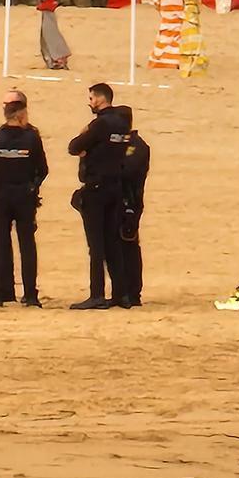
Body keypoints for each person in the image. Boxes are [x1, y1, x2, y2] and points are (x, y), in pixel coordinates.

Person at [67, 83, 132, 310]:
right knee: (113, 242)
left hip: (96, 188)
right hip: (115, 187)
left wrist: (86, 138)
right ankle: (121, 294)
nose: (90, 101)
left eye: (91, 97)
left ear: (100, 99)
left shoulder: (100, 124)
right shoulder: (123, 124)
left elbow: (74, 146)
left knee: (96, 245)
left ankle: (97, 294)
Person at [0, 99, 48, 308]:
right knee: (27, 245)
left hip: (2, 196)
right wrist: (33, 185)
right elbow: (43, 168)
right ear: (20, 116)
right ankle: (30, 294)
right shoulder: (31, 139)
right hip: (24, 196)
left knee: (0, 245)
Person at [115, 105, 149, 307]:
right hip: (115, 197)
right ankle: (121, 290)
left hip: (131, 200)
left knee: (128, 243)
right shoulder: (115, 142)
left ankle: (133, 292)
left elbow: (127, 171)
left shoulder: (137, 146)